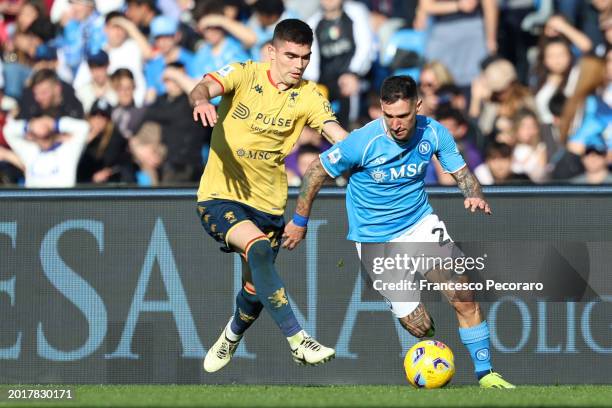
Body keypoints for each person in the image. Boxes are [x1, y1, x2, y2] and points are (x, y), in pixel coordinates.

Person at [283, 75, 515, 388]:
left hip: (419, 225)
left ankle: (486, 375)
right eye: (388, 116)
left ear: (418, 107)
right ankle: (430, 349)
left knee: (463, 296)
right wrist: (299, 221)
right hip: (375, 240)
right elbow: (315, 171)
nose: (395, 124)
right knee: (420, 326)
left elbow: (461, 173)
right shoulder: (363, 142)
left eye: (403, 116)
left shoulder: (433, 132)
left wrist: (473, 193)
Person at [190, 18, 348, 373]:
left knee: (254, 287)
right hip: (219, 195)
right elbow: (201, 88)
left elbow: (336, 133)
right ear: (271, 52)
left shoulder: (308, 95)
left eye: (305, 57)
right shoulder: (244, 74)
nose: (299, 65)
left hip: (269, 203)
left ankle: (231, 334)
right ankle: (298, 340)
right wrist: (201, 101)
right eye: (291, 56)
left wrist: (366, 150)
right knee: (258, 248)